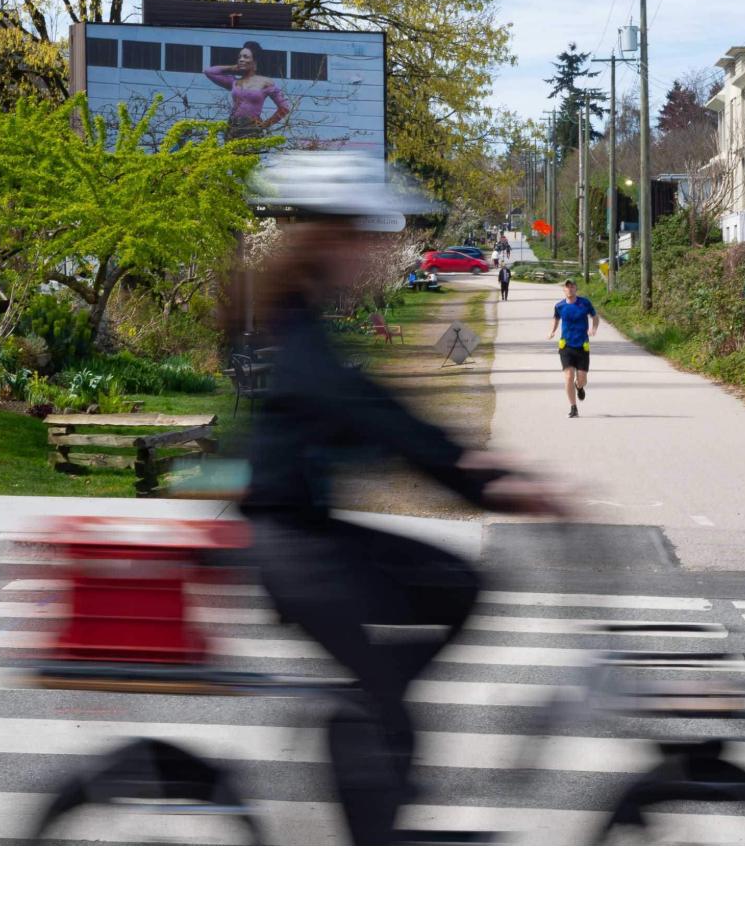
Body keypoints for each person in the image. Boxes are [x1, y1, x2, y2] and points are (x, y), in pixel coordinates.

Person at [241, 151, 562, 846]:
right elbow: (377, 418)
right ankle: (373, 791)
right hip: (293, 549)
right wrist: (481, 480)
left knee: (443, 600)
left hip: (302, 536)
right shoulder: (302, 336)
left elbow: (378, 411)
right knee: (421, 639)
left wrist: (477, 468)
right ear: (330, 241)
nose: (378, 251)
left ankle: (370, 721)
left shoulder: (304, 322)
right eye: (367, 236)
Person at [204, 41, 292, 140]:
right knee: (230, 154)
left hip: (252, 129)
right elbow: (209, 72)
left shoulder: (265, 83)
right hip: (233, 127)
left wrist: (265, 125)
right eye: (239, 57)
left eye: (245, 57)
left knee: (250, 154)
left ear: (254, 61)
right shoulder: (234, 82)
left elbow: (284, 107)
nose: (241, 59)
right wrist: (233, 68)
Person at [547, 278, 599, 418]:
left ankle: (580, 387)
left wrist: (593, 328)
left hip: (582, 345)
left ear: (576, 288)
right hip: (566, 346)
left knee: (582, 379)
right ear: (564, 290)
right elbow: (556, 319)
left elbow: (595, 316)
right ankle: (573, 407)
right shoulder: (559, 306)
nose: (570, 289)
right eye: (567, 287)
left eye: (572, 286)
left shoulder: (585, 303)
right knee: (569, 376)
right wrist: (552, 331)